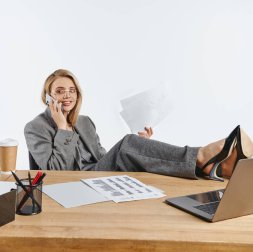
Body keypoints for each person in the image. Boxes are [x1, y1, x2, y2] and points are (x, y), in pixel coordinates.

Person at [24, 69, 253, 180]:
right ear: (47, 97)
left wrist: (141, 149)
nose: (67, 95)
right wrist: (62, 128)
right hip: (70, 182)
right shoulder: (35, 128)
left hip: (96, 174)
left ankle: (217, 167)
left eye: (72, 90)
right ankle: (202, 158)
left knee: (131, 145)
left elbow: (103, 156)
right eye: (59, 91)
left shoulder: (85, 122)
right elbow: (54, 173)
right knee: (127, 144)